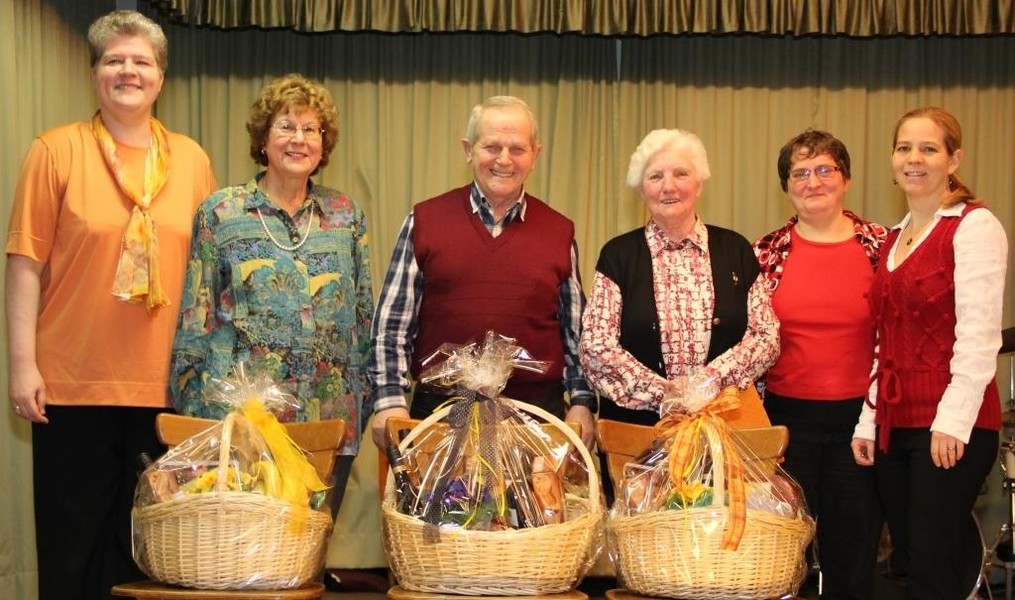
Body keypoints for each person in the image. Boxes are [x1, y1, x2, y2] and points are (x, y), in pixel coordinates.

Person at [5, 10, 217, 600]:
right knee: (71, 547)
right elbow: (24, 265)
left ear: (161, 77)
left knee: (148, 553)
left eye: (141, 61)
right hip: (72, 384)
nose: (128, 71)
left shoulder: (192, 160)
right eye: (113, 60)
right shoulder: (55, 150)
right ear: (95, 72)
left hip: (165, 388)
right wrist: (22, 366)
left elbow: (208, 278)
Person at [169, 74, 373, 519]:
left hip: (328, 422)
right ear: (263, 139)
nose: (299, 139)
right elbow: (196, 320)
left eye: (311, 129)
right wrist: (200, 416)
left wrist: (361, 406)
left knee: (312, 547)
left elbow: (363, 319)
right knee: (246, 547)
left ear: (323, 145)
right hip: (245, 424)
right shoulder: (221, 213)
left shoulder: (345, 215)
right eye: (286, 126)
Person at [368, 95, 596, 449]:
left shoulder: (559, 231)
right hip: (440, 417)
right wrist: (388, 399)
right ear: (468, 150)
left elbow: (577, 334)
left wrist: (582, 401)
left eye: (517, 149)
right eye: (491, 147)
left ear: (535, 155)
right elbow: (392, 325)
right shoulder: (424, 220)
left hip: (536, 423)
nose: (504, 159)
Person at [850, 106, 1008, 600]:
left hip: (952, 425)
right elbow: (884, 341)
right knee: (910, 560)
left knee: (932, 563)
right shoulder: (894, 239)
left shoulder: (974, 226)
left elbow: (980, 335)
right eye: (904, 148)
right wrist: (868, 421)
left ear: (953, 159)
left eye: (928, 148)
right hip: (895, 422)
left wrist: (953, 421)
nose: (913, 158)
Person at [754, 130, 887, 599]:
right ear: (786, 187)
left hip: (863, 423)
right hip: (786, 422)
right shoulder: (764, 252)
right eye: (800, 173)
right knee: (782, 556)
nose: (813, 182)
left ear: (846, 178)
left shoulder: (883, 246)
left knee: (854, 553)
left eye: (825, 169)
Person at [579, 128, 778, 440]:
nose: (668, 186)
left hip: (726, 432)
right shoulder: (618, 255)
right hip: (639, 436)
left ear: (699, 183)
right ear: (641, 190)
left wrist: (709, 382)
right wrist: (665, 394)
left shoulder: (736, 250)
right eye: (655, 176)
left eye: (681, 173)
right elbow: (595, 346)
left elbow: (766, 337)